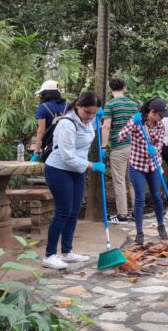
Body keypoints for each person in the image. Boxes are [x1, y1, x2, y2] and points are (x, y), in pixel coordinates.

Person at [42, 91, 105, 270]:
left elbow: (93, 129)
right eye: (87, 112)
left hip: (77, 170)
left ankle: (67, 251)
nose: (90, 116)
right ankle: (49, 255)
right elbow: (67, 156)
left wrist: (97, 120)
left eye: (94, 112)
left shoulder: (90, 120)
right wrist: (92, 165)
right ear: (78, 106)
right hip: (59, 169)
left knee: (74, 211)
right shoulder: (66, 125)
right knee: (63, 211)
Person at [117, 98, 168, 245]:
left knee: (157, 197)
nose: (162, 118)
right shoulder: (138, 121)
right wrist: (133, 123)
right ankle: (139, 231)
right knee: (140, 198)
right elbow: (120, 137)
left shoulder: (160, 125)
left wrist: (156, 149)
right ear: (152, 112)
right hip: (137, 166)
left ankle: (161, 225)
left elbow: (160, 143)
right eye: (160, 115)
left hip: (153, 165)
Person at [101, 78, 138, 224]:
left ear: (110, 88)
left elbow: (106, 127)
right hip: (134, 147)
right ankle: (137, 212)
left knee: (119, 181)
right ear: (124, 87)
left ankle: (122, 215)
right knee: (133, 180)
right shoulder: (133, 104)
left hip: (118, 146)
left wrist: (103, 147)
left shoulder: (110, 104)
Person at [31, 80, 68, 161]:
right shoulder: (67, 105)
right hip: (68, 144)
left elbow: (41, 130)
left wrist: (37, 151)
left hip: (52, 145)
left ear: (45, 93)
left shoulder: (43, 107)